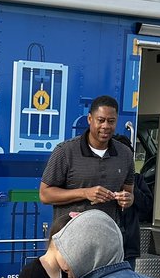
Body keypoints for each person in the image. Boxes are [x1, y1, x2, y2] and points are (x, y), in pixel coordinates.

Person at [39, 95, 135, 225]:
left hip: (108, 236)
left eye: (111, 121)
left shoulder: (125, 154)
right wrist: (85, 193)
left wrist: (127, 199)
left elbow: (129, 192)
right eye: (100, 120)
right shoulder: (65, 151)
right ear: (90, 119)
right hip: (72, 237)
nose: (106, 126)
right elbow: (45, 195)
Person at [112, 133, 141, 270]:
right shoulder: (101, 177)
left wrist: (131, 192)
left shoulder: (138, 179)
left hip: (128, 246)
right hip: (106, 245)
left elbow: (148, 206)